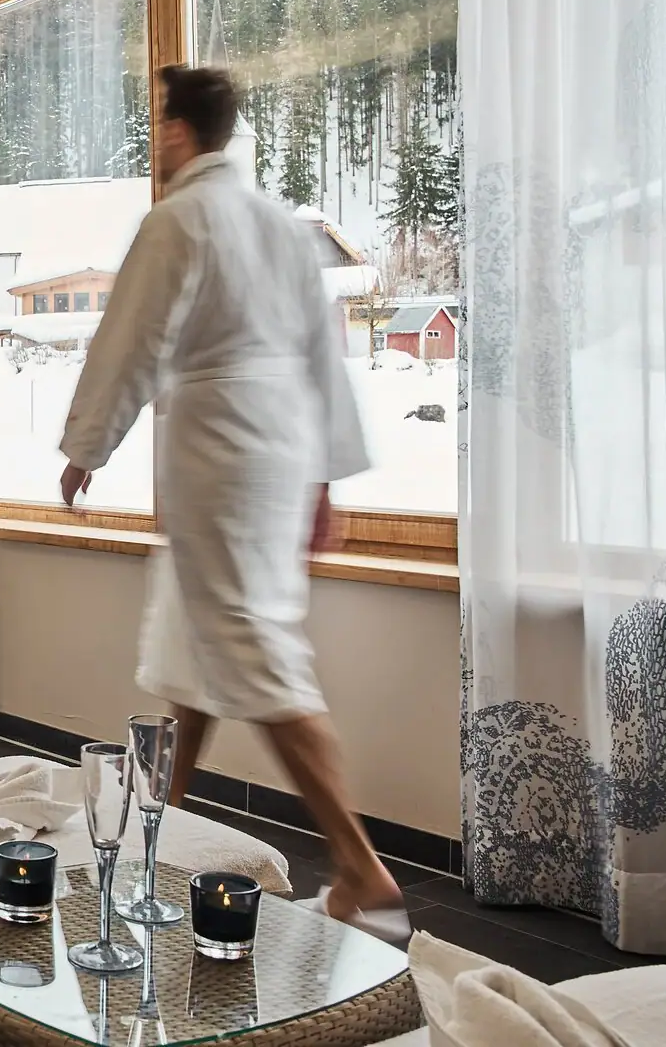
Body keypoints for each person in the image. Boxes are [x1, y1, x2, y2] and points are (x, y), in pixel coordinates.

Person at [57, 64, 406, 934]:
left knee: (254, 648)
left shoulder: (178, 220)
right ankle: (152, 843)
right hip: (280, 448)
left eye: (159, 126)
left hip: (219, 446)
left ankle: (362, 867)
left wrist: (86, 447)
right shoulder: (280, 226)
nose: (158, 141)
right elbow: (324, 356)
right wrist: (322, 476)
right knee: (194, 655)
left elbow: (128, 340)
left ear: (179, 131)